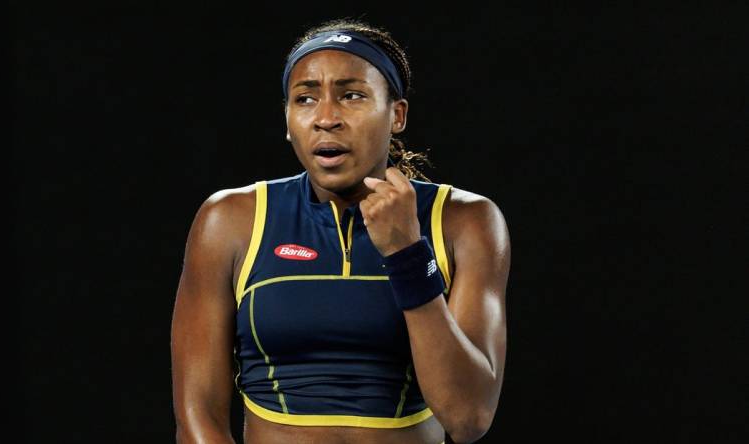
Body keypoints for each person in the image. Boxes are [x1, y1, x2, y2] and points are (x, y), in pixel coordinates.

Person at [171, 18, 510, 444]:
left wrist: (407, 254)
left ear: (397, 114)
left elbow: (468, 418)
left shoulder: (466, 220)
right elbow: (197, 417)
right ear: (288, 118)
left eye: (351, 96)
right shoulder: (230, 219)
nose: (326, 118)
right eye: (305, 99)